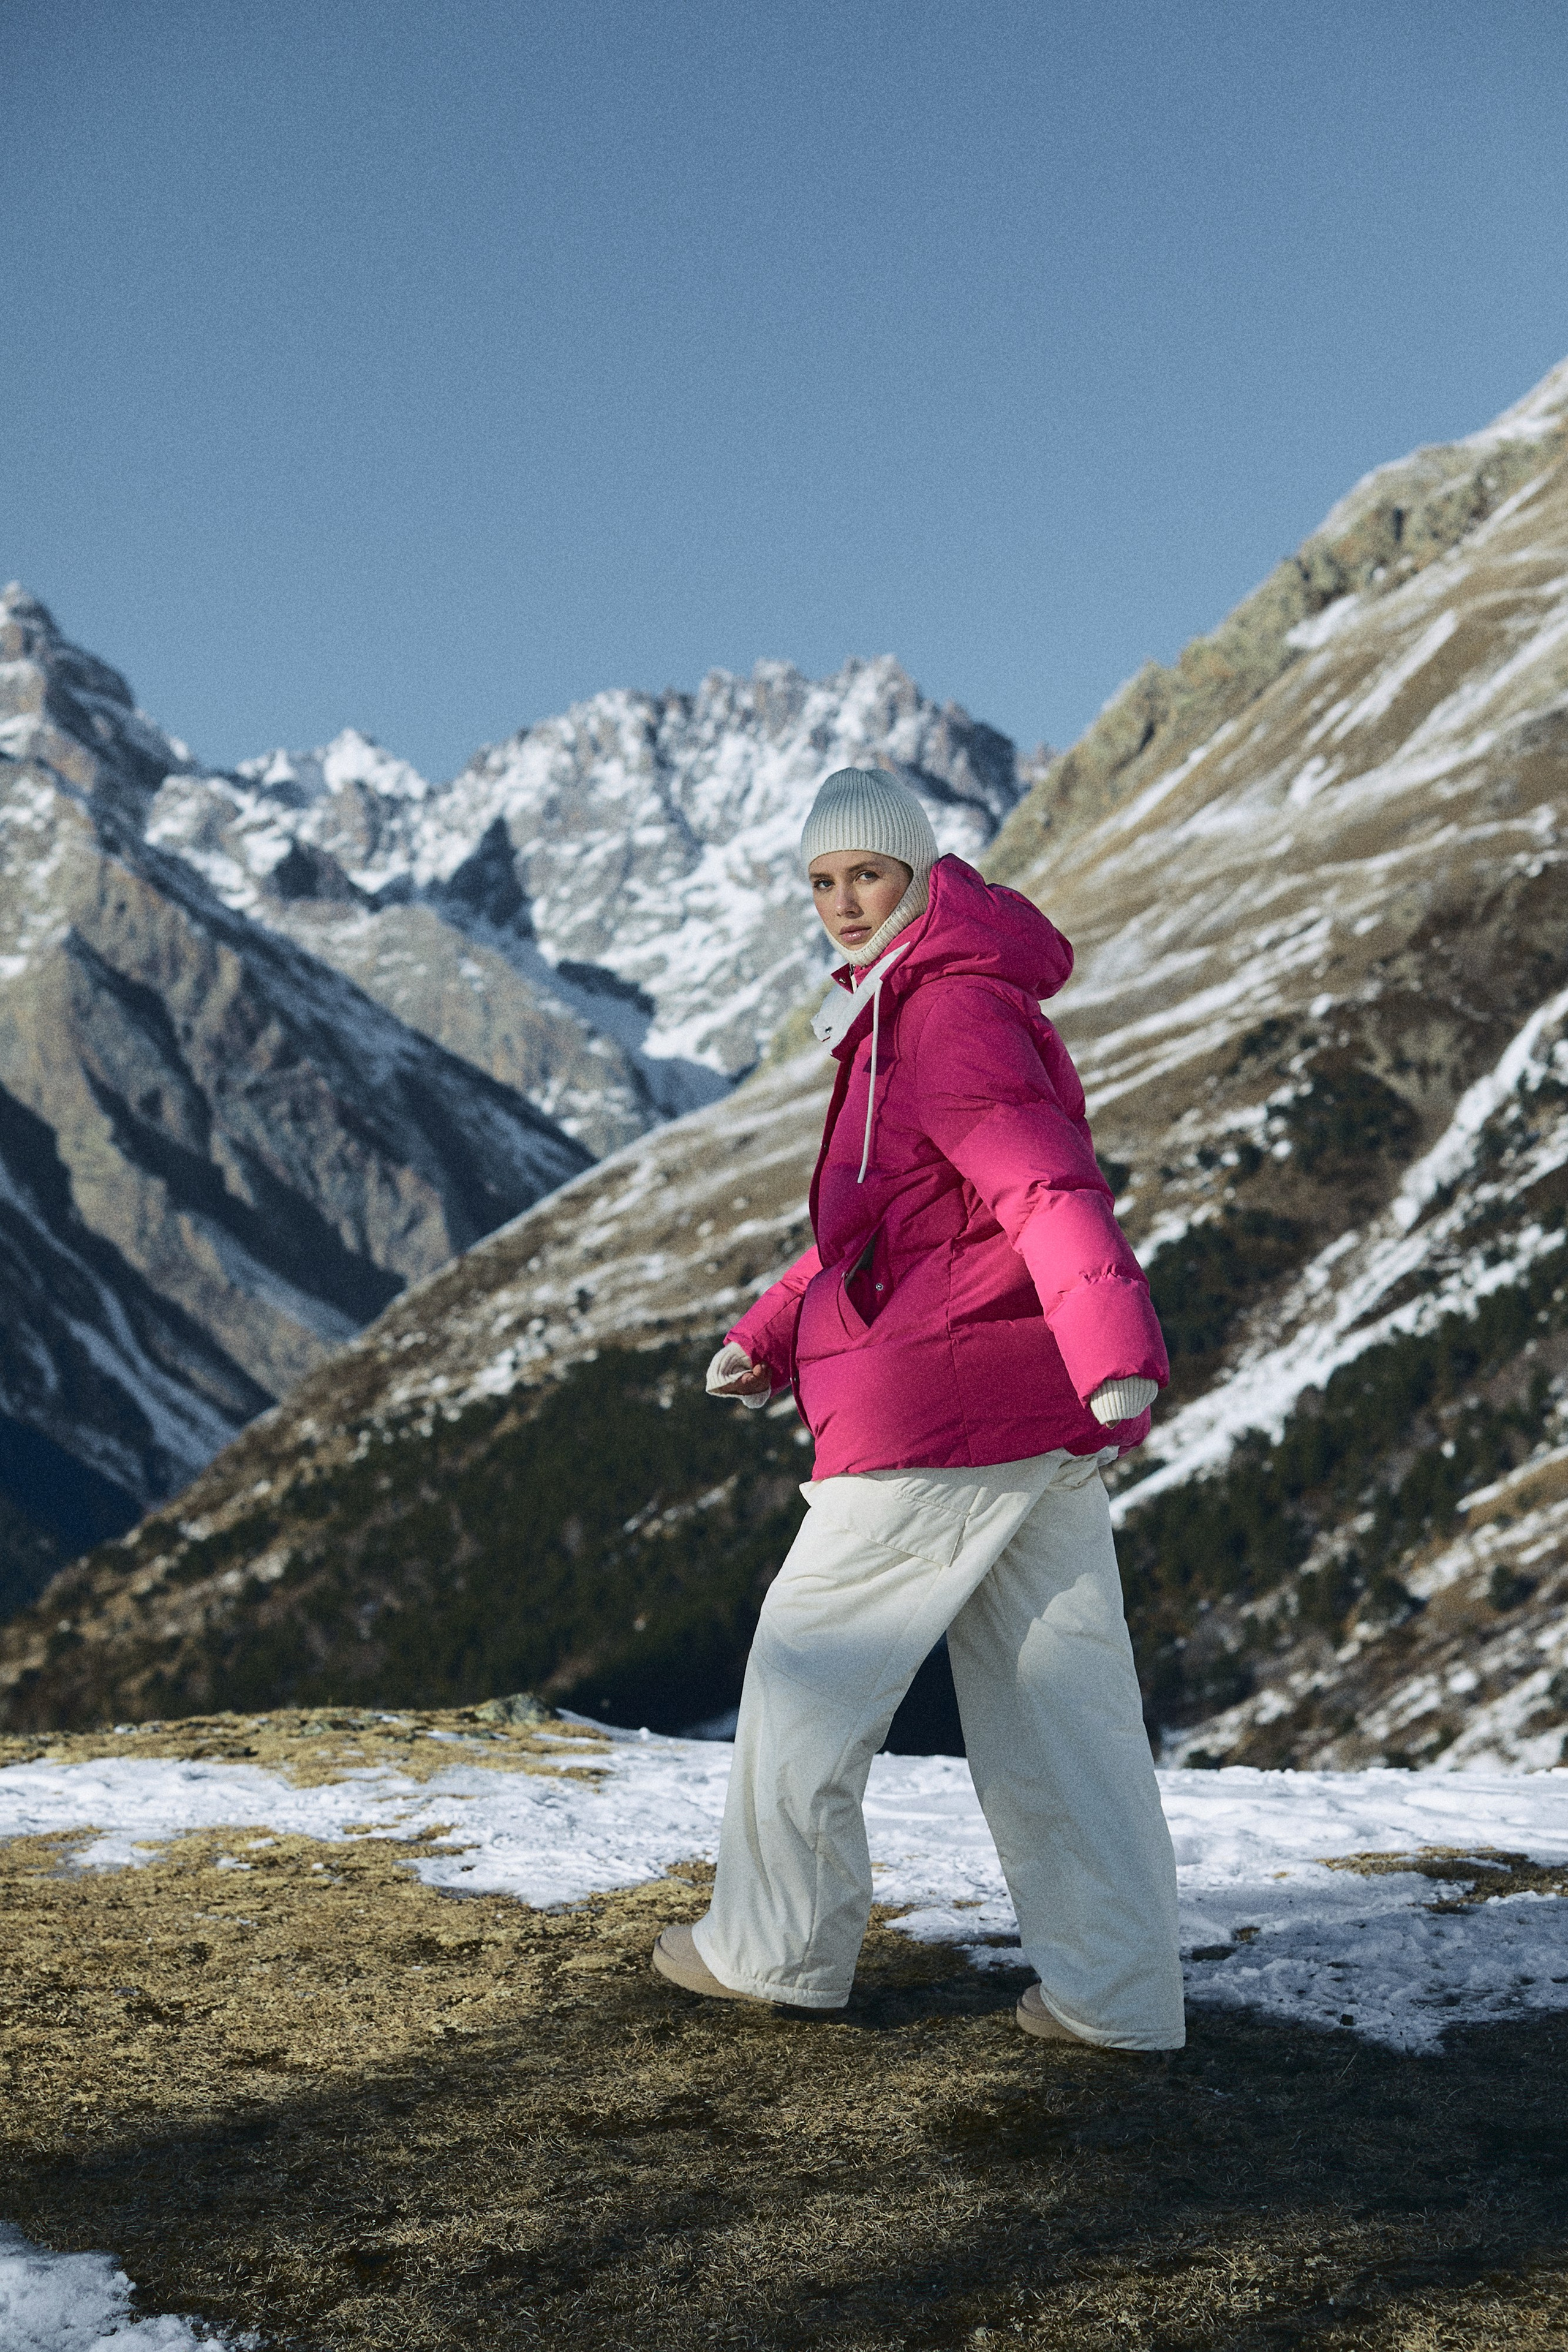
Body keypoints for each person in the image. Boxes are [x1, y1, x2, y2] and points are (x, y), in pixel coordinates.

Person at [651, 767, 1183, 2052]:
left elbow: (1043, 1185)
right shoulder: (923, 998)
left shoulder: (940, 1013)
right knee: (1063, 1715)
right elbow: (900, 1222)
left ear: (918, 873)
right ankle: (1117, 1998)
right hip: (1019, 1410)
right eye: (822, 884)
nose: (842, 903)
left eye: (865, 877)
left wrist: (1117, 1347)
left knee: (802, 1676)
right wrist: (772, 1330)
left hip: (937, 1414)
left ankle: (773, 1946)